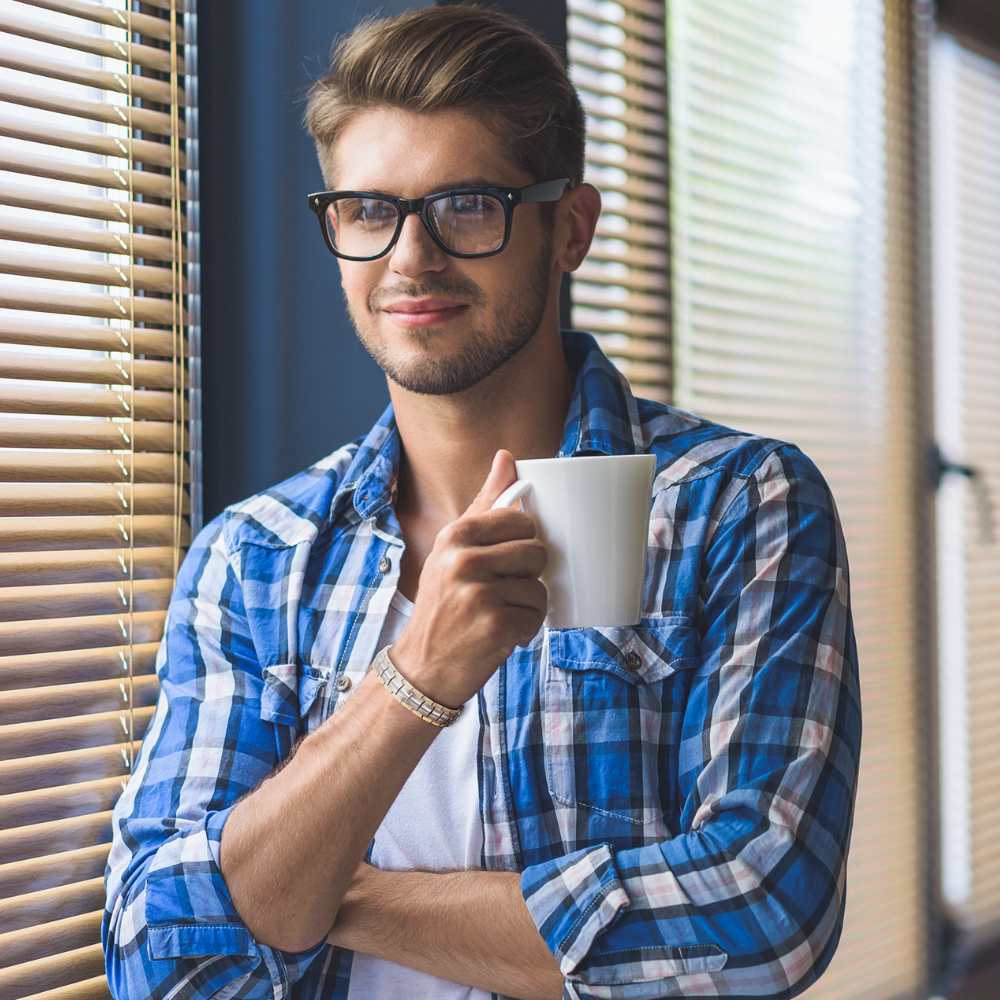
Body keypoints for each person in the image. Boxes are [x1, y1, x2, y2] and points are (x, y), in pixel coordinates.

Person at [103, 7, 861, 1000]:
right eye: (369, 210)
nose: (409, 258)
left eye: (464, 204)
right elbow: (161, 954)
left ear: (569, 229)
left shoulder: (737, 506)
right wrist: (418, 675)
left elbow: (761, 917)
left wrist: (320, 887)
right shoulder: (253, 556)